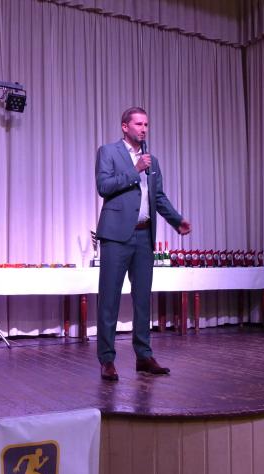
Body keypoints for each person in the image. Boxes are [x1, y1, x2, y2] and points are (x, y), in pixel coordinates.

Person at [95, 107, 191, 381]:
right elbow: (103, 186)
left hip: (143, 236)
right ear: (125, 126)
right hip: (116, 236)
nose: (144, 129)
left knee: (142, 300)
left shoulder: (152, 160)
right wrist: (134, 170)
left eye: (146, 124)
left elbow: (157, 197)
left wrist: (176, 220)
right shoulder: (108, 152)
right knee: (109, 299)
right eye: (138, 124)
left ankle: (144, 356)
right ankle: (107, 359)